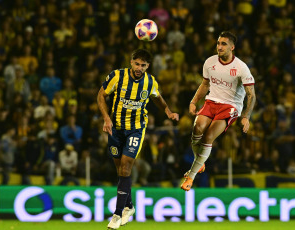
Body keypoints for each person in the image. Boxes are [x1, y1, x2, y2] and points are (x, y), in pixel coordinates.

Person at [97, 49, 179, 229]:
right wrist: (106, 118)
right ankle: (129, 206)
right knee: (120, 170)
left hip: (136, 129)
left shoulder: (150, 82)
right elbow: (101, 95)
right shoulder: (117, 76)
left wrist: (167, 111)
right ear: (131, 61)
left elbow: (158, 98)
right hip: (116, 129)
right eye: (136, 63)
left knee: (126, 166)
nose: (139, 68)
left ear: (148, 66)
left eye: (143, 65)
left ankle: (117, 214)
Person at [180, 31, 256, 191]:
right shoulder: (209, 62)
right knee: (197, 129)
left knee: (208, 136)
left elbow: (251, 95)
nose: (219, 47)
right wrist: (193, 101)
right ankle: (199, 162)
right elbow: (205, 85)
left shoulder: (241, 67)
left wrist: (246, 116)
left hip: (230, 106)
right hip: (211, 101)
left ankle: (191, 176)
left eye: (223, 44)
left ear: (232, 47)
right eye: (218, 43)